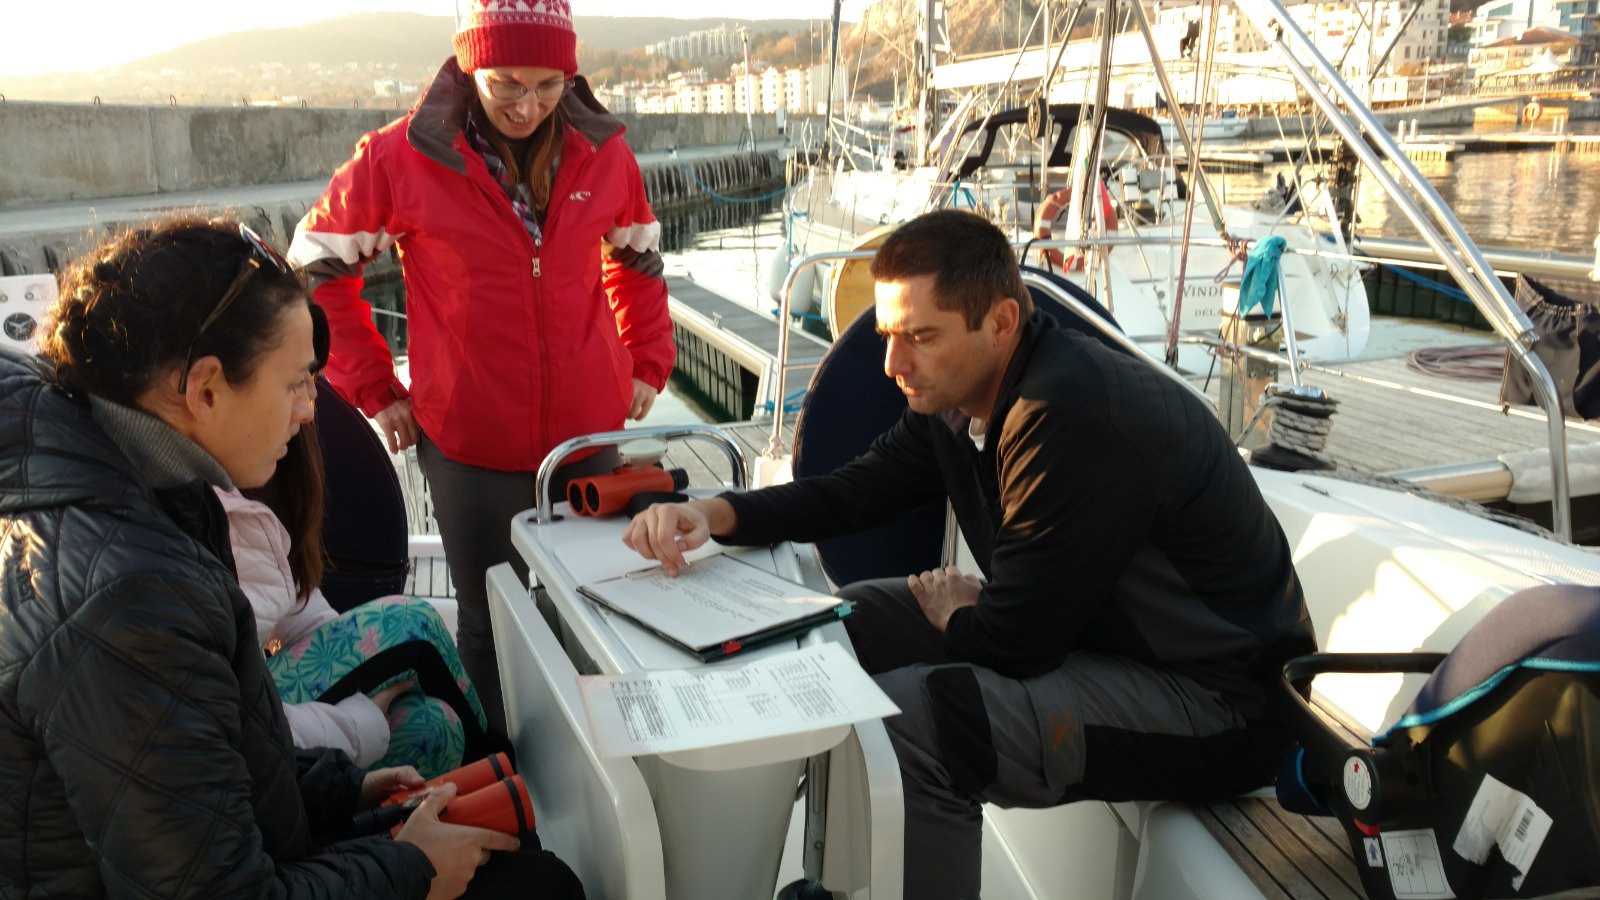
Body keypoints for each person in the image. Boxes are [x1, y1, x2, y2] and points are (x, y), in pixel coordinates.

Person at [623, 209, 1316, 899]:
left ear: (1002, 323)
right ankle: (836, 879)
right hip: (1112, 646)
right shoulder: (957, 399)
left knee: (923, 722)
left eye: (922, 336)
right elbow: (851, 494)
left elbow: (1015, 645)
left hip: (1222, 704)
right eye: (891, 335)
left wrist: (961, 615)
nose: (895, 364)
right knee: (849, 620)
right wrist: (713, 514)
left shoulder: (1062, 415)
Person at [0, 217, 581, 899]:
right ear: (206, 389)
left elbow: (196, 766)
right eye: (296, 384)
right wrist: (412, 870)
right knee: (539, 888)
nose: (311, 411)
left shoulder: (120, 490)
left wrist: (330, 793)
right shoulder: (128, 595)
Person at [289, 0, 674, 735]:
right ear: (470, 65)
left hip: (589, 438)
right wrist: (377, 387)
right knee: (491, 618)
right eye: (507, 84)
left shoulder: (607, 152)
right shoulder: (400, 156)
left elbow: (638, 257)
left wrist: (647, 360)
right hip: (469, 445)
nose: (528, 105)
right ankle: (510, 765)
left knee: (591, 601)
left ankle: (590, 758)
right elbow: (315, 268)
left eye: (549, 84)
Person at [224, 423, 493, 780]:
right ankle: (506, 787)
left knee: (434, 729)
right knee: (412, 621)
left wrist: (373, 668)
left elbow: (299, 610)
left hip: (269, 705)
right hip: (242, 736)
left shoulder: (249, 492)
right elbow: (234, 720)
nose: (310, 399)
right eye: (295, 382)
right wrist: (355, 722)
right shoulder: (194, 506)